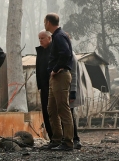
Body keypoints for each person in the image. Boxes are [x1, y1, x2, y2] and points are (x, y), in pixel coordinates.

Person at [44, 13, 74, 151]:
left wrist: (56, 69)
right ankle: (56, 139)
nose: (44, 24)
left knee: (63, 108)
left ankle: (68, 142)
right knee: (52, 109)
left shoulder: (59, 36)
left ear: (49, 22)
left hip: (61, 76)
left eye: (45, 22)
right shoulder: (57, 36)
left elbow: (66, 53)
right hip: (55, 78)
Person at [35, 30, 53, 141]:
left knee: (54, 113)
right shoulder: (41, 51)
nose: (41, 41)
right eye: (39, 39)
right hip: (44, 87)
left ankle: (60, 137)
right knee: (46, 113)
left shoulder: (53, 51)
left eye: (43, 38)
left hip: (53, 85)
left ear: (49, 38)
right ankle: (52, 138)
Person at [68, 49, 83, 150]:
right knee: (69, 115)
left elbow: (74, 75)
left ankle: (75, 139)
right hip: (68, 90)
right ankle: (73, 139)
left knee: (69, 115)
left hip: (69, 91)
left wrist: (72, 93)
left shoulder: (70, 55)